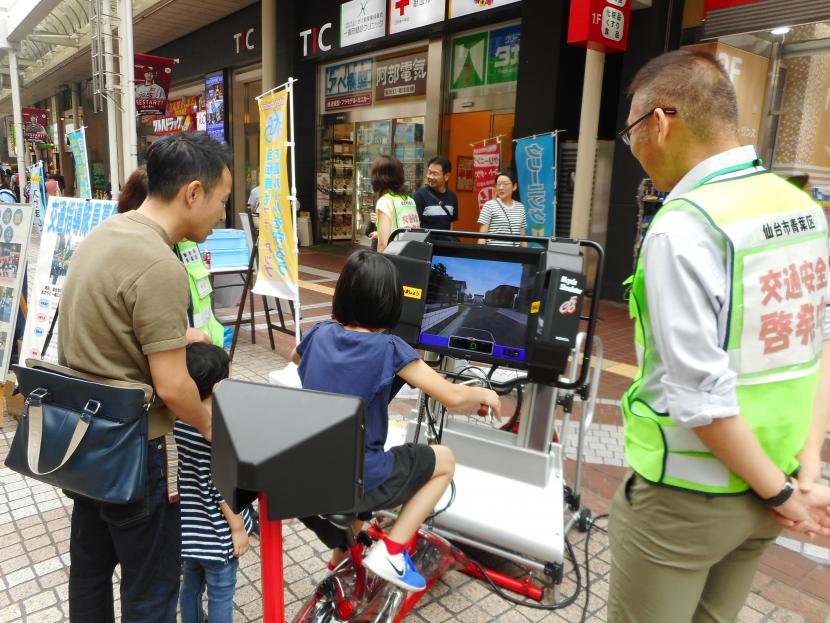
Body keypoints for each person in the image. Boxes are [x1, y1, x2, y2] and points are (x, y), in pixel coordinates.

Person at [607, 50, 830, 622]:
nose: (633, 149)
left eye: (631, 130)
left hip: (684, 500)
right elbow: (818, 346)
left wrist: (786, 497)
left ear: (660, 121)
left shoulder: (685, 226)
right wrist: (802, 476)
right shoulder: (802, 210)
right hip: (769, 488)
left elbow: (698, 396)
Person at [58, 132, 231, 622]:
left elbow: (114, 329)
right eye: (221, 200)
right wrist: (211, 427)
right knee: (151, 588)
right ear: (192, 193)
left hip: (83, 442)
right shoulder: (159, 263)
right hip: (138, 454)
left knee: (89, 573)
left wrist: (182, 337)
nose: (222, 214)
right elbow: (174, 387)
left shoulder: (107, 233)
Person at [292, 250, 500, 592]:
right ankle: (393, 550)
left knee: (356, 489)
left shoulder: (318, 334)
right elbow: (452, 397)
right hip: (361, 479)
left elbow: (296, 357)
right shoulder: (390, 347)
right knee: (444, 461)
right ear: (390, 303)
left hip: (311, 475)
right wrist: (485, 394)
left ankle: (337, 570)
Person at [176, 342, 252, 623]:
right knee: (221, 592)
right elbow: (222, 486)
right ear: (219, 386)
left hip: (188, 528)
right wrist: (238, 529)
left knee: (191, 586)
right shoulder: (218, 429)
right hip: (217, 532)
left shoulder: (179, 420)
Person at [118, 165, 221, 347]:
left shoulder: (188, 241)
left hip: (207, 357)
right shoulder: (148, 258)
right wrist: (184, 336)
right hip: (180, 357)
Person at [371, 155, 419, 252]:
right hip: (411, 254)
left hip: (394, 258)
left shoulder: (385, 201)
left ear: (379, 177)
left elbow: (383, 244)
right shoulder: (409, 200)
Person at [477, 171, 527, 247]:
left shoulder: (520, 207)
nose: (501, 187)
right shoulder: (489, 205)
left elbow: (522, 237)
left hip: (515, 254)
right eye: (498, 184)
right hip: (494, 253)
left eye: (505, 184)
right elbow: (482, 236)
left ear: (514, 186)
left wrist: (526, 256)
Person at [413, 156, 459, 235]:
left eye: (435, 174)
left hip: (445, 245)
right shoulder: (419, 196)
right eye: (429, 172)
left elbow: (451, 223)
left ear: (446, 176)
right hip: (427, 245)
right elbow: (415, 225)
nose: (430, 177)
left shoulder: (452, 196)